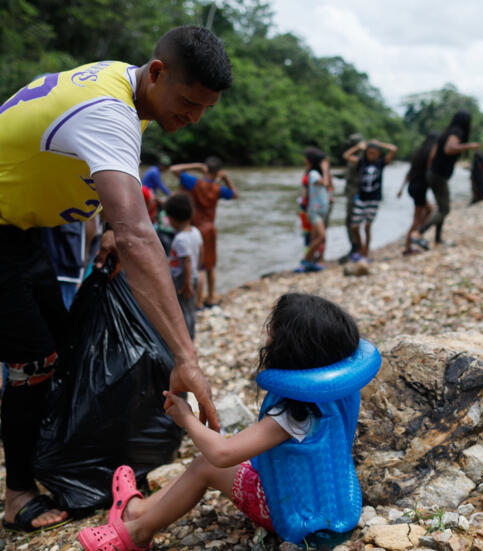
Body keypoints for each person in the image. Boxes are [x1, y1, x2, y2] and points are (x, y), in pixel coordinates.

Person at [0, 26, 229, 532]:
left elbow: (107, 197)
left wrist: (107, 225)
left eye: (205, 110)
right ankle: (18, 490)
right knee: (33, 358)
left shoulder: (125, 90)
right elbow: (138, 235)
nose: (193, 118)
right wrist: (185, 355)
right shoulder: (108, 112)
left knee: (60, 345)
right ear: (157, 73)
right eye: (189, 102)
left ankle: (60, 457)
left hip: (19, 221)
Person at [77, 293, 369, 551]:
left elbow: (222, 455)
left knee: (204, 465)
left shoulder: (294, 414)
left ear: (291, 351)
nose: (267, 333)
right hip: (335, 508)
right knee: (220, 461)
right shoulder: (334, 393)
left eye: (273, 330)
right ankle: (137, 510)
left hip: (298, 520)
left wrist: (187, 418)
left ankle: (136, 533)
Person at [169, 156, 237, 308]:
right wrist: (225, 179)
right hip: (210, 228)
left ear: (206, 169)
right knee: (209, 265)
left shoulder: (194, 182)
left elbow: (173, 169)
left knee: (197, 266)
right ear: (218, 172)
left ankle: (197, 302)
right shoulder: (217, 189)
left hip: (195, 228)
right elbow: (235, 194)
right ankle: (211, 297)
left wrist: (196, 165)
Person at [418, 111, 482, 246]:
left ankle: (437, 239)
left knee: (441, 207)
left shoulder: (446, 133)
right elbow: (449, 149)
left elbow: (433, 154)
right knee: (444, 209)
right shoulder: (457, 133)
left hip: (433, 174)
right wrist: (471, 146)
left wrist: (430, 171)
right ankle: (418, 233)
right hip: (439, 175)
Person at [342, 139, 397, 260]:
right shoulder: (361, 162)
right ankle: (360, 249)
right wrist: (358, 147)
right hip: (362, 198)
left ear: (378, 153)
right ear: (366, 153)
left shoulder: (381, 163)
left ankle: (365, 252)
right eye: (369, 152)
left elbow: (393, 149)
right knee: (355, 226)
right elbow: (346, 155)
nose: (372, 155)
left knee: (367, 226)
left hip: (374, 199)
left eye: (374, 152)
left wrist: (380, 143)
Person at [164, 193, 202, 339]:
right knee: (190, 309)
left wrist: (187, 284)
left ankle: (185, 337)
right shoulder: (195, 232)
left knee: (182, 310)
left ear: (172, 219)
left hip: (182, 279)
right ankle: (189, 335)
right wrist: (196, 270)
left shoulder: (180, 239)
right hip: (193, 276)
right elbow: (200, 252)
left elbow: (186, 261)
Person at [397, 132, 439, 255]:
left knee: (429, 209)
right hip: (419, 189)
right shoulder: (430, 155)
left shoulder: (418, 154)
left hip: (413, 187)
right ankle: (407, 246)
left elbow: (409, 173)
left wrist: (401, 189)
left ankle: (418, 234)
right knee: (416, 219)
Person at [296, 148, 330, 272]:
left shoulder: (314, 173)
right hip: (314, 212)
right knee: (322, 236)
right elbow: (325, 183)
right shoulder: (313, 174)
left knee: (314, 238)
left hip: (320, 211)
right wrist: (325, 169)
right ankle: (305, 259)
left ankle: (309, 261)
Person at [339, 133, 364, 263]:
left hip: (355, 195)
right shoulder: (356, 158)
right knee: (350, 222)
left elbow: (346, 155)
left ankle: (356, 248)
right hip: (351, 193)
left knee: (352, 222)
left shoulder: (361, 159)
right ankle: (355, 247)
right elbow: (348, 174)